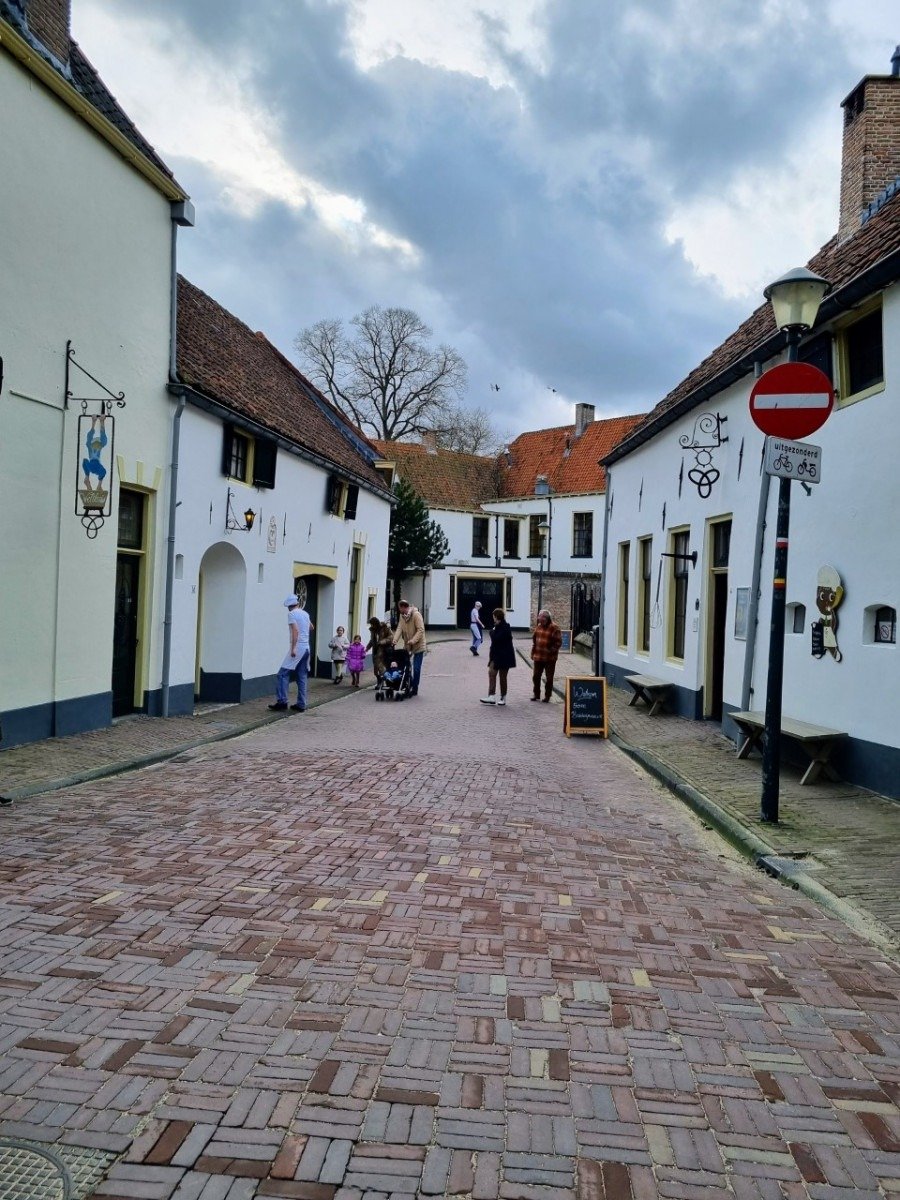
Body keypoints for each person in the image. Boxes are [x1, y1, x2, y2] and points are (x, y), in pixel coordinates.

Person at [269, 594, 313, 712]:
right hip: (306, 648)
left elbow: (295, 631)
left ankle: (282, 701)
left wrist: (293, 648)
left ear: (289, 606)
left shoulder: (292, 614)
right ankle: (301, 704)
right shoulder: (305, 613)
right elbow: (311, 627)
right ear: (297, 603)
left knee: (282, 674)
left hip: (298, 648)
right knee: (302, 676)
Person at [480, 607, 515, 706]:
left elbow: (497, 639)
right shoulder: (497, 627)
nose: (493, 618)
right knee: (491, 673)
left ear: (496, 617)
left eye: (494, 616)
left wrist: (492, 632)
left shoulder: (505, 627)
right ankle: (491, 696)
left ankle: (503, 697)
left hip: (504, 657)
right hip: (495, 656)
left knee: (502, 677)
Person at [393, 600, 426, 695]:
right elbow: (400, 628)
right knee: (405, 666)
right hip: (408, 645)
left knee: (416, 668)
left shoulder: (416, 615)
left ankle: (415, 688)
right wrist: (395, 640)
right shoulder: (402, 616)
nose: (399, 610)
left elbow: (420, 630)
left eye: (399, 608)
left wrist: (413, 640)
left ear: (403, 607)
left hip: (418, 645)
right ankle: (410, 684)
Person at [530, 608, 562, 702]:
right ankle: (536, 694)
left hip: (550, 658)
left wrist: (550, 651)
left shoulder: (554, 628)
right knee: (536, 676)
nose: (538, 618)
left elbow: (558, 643)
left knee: (549, 678)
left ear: (546, 618)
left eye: (540, 617)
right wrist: (533, 652)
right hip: (538, 656)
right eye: (539, 617)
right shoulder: (538, 627)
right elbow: (534, 640)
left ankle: (547, 696)